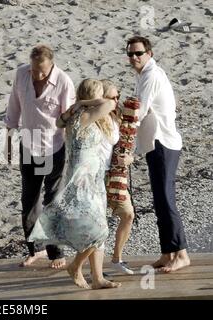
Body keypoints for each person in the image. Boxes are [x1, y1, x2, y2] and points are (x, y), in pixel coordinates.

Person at [29, 79, 121, 289]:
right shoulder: (83, 115)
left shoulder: (75, 114)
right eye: (99, 95)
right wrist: (84, 103)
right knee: (100, 230)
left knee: (97, 229)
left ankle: (98, 278)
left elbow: (60, 122)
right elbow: (110, 105)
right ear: (93, 97)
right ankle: (75, 266)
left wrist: (80, 103)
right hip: (83, 181)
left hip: (94, 179)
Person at [4, 44, 76, 269]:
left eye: (42, 71)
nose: (37, 75)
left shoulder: (63, 82)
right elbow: (13, 106)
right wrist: (8, 139)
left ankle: (56, 252)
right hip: (28, 147)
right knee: (29, 201)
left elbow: (70, 118)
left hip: (53, 149)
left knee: (52, 199)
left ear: (51, 64)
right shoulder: (21, 74)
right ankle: (35, 248)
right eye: (34, 70)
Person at [126, 36, 190, 272]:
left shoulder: (151, 75)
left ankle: (181, 254)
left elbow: (138, 112)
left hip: (163, 142)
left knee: (165, 199)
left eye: (138, 53)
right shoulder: (144, 75)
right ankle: (167, 253)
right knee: (160, 200)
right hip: (156, 144)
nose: (134, 58)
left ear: (149, 54)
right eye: (130, 54)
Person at [101, 80, 135, 275]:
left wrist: (130, 158)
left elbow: (129, 145)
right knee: (99, 223)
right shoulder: (94, 118)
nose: (116, 101)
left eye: (117, 97)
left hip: (116, 174)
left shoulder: (119, 117)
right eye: (111, 98)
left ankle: (117, 258)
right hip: (97, 175)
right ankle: (95, 269)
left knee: (128, 214)